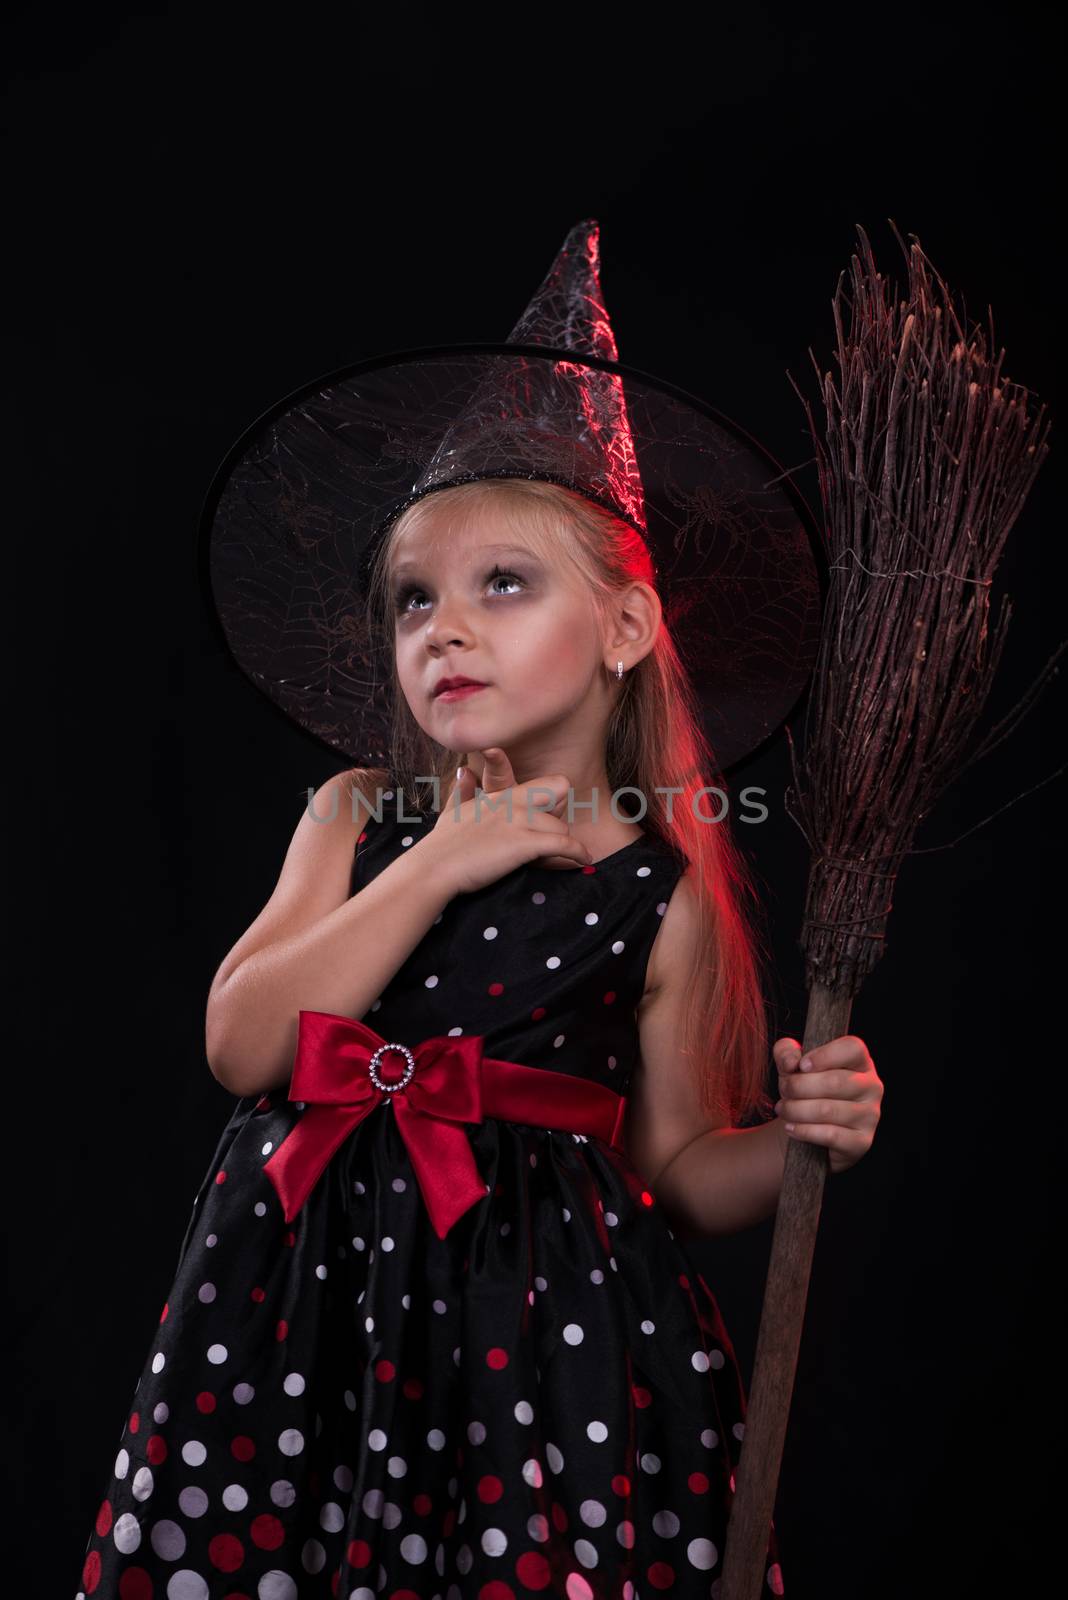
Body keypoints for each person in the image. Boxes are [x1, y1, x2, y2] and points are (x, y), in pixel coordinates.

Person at [75, 221, 884, 1598]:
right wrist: (445, 857)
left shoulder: (654, 893)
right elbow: (245, 1044)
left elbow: (684, 1174)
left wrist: (804, 1143)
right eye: (411, 601)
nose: (441, 629)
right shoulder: (354, 817)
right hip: (303, 1320)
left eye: (500, 585)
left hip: (543, 1337)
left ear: (625, 630)